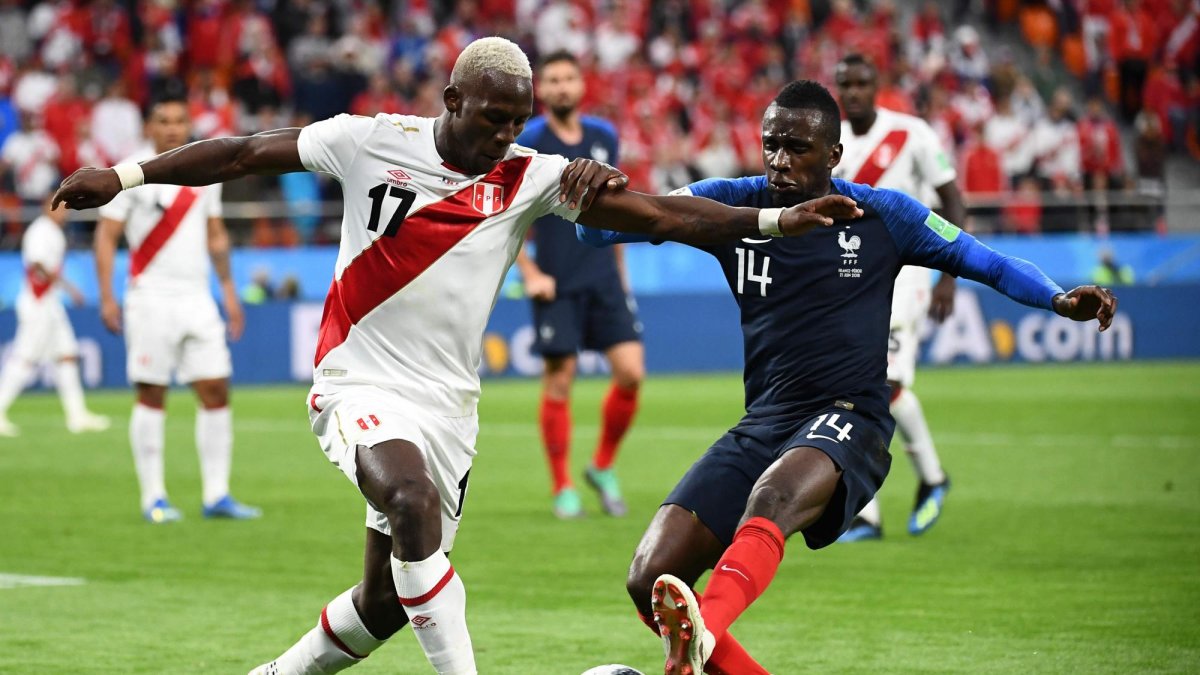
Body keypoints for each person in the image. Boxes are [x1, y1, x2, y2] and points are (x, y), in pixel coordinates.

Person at [53, 37, 857, 675]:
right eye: (490, 118)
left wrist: (776, 225)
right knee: (409, 502)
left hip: (448, 408)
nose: (503, 135)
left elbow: (660, 216)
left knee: (387, 600)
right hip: (356, 379)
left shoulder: (531, 176)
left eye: (516, 121)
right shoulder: (367, 142)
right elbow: (237, 155)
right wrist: (123, 176)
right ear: (451, 100)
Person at [579, 79, 1117, 674]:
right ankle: (709, 649)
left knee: (773, 497)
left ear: (834, 155)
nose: (780, 161)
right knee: (649, 578)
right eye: (771, 145)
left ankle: (703, 635)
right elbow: (606, 226)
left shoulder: (886, 216)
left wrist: (1059, 299)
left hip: (851, 416)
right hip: (766, 420)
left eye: (797, 148)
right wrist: (592, 191)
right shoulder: (733, 206)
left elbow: (985, 259)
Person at [93, 93, 259, 525]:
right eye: (163, 120)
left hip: (197, 298)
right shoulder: (129, 172)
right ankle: (154, 497)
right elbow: (107, 236)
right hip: (150, 297)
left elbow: (215, 233)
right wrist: (107, 295)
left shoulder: (207, 169)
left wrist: (228, 289)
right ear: (149, 126)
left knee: (216, 389)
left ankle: (217, 494)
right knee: (152, 392)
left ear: (188, 125)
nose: (171, 128)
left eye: (179, 121)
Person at [832, 53, 965, 540]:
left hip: (906, 275)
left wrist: (949, 273)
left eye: (862, 83)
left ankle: (909, 489)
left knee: (882, 383)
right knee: (856, 388)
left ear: (877, 85)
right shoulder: (833, 144)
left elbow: (952, 199)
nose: (853, 92)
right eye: (844, 84)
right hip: (851, 278)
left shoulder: (912, 133)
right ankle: (894, 497)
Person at [514, 50, 644, 519]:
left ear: (581, 85)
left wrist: (622, 276)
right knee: (559, 380)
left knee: (631, 372)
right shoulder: (529, 140)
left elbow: (619, 206)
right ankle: (562, 485)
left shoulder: (604, 136)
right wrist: (530, 273)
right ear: (541, 90)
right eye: (553, 80)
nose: (562, 87)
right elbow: (507, 216)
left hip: (603, 275)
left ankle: (602, 466)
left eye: (569, 78)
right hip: (557, 279)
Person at [0, 199, 109, 436]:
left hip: (50, 302)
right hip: (37, 304)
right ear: (47, 208)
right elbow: (36, 265)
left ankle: (77, 416)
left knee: (67, 355)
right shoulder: (40, 230)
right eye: (60, 208)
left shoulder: (53, 232)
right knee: (24, 358)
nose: (64, 213)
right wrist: (69, 288)